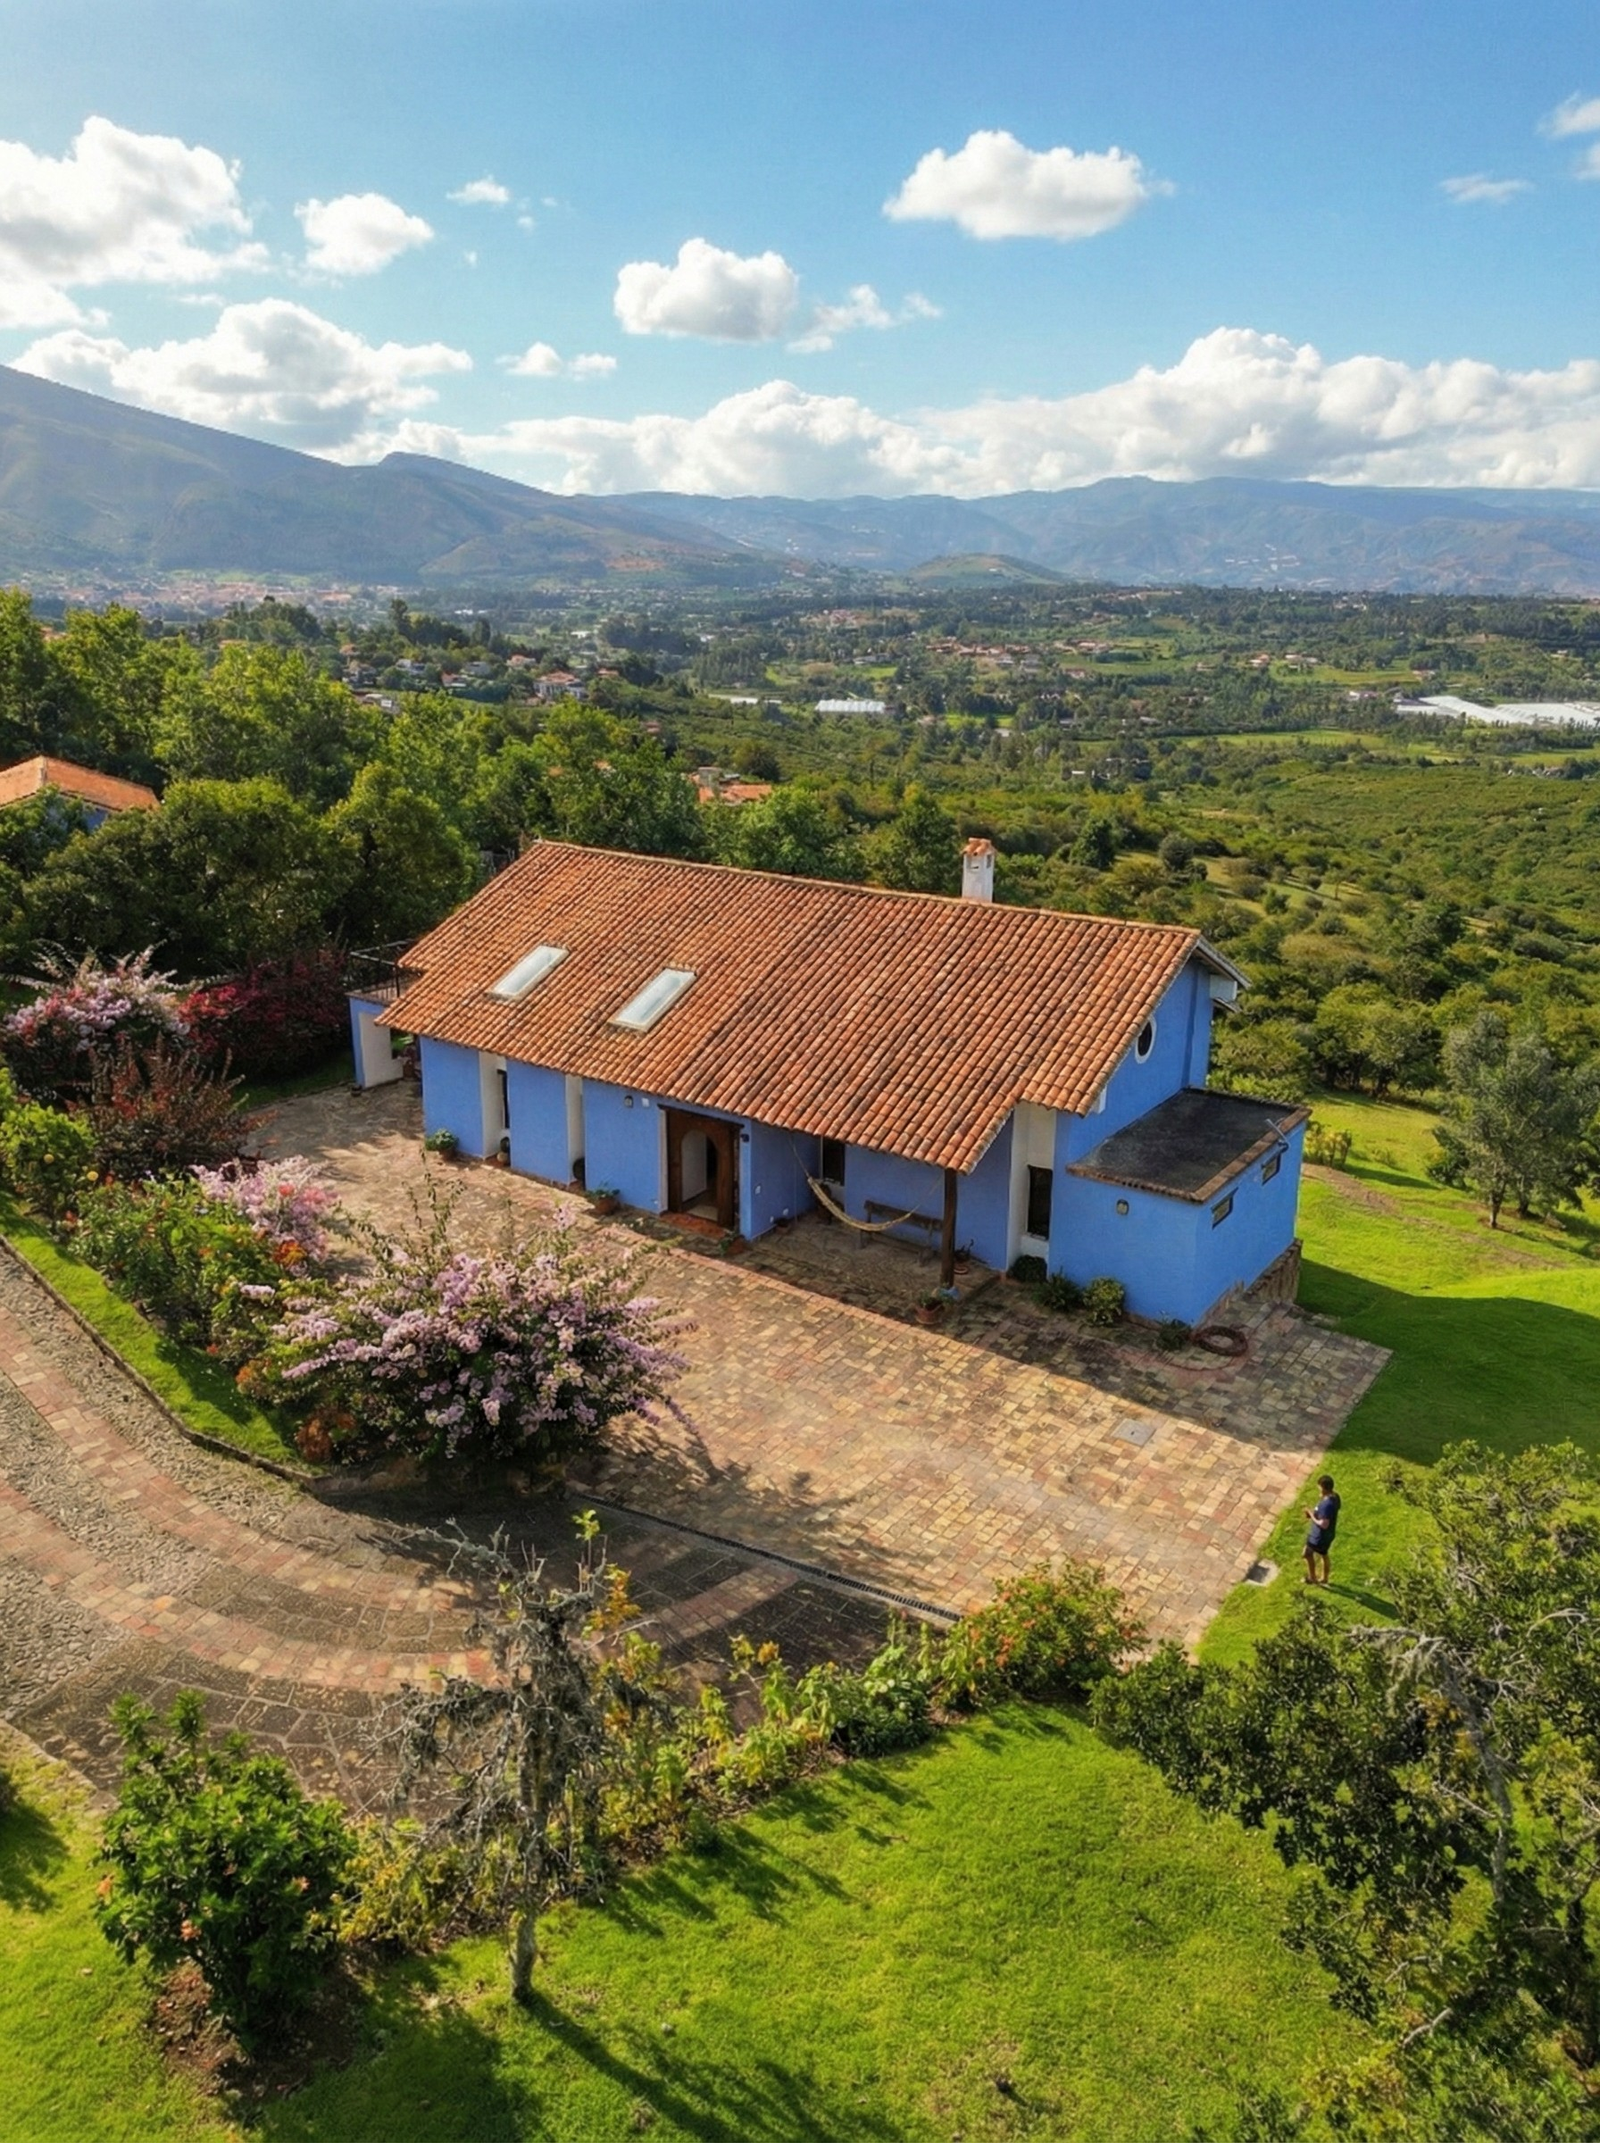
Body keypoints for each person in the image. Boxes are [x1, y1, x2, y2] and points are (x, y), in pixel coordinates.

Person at [1303, 1474, 1340, 1585]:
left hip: (1319, 1536)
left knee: (1307, 1554)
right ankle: (1324, 1578)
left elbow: (1323, 1524)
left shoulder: (1326, 1504)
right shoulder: (1335, 1497)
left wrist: (1311, 1515)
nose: (1318, 1489)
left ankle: (1312, 1578)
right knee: (1324, 1554)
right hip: (1329, 1534)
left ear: (1324, 1488)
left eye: (1319, 1487)